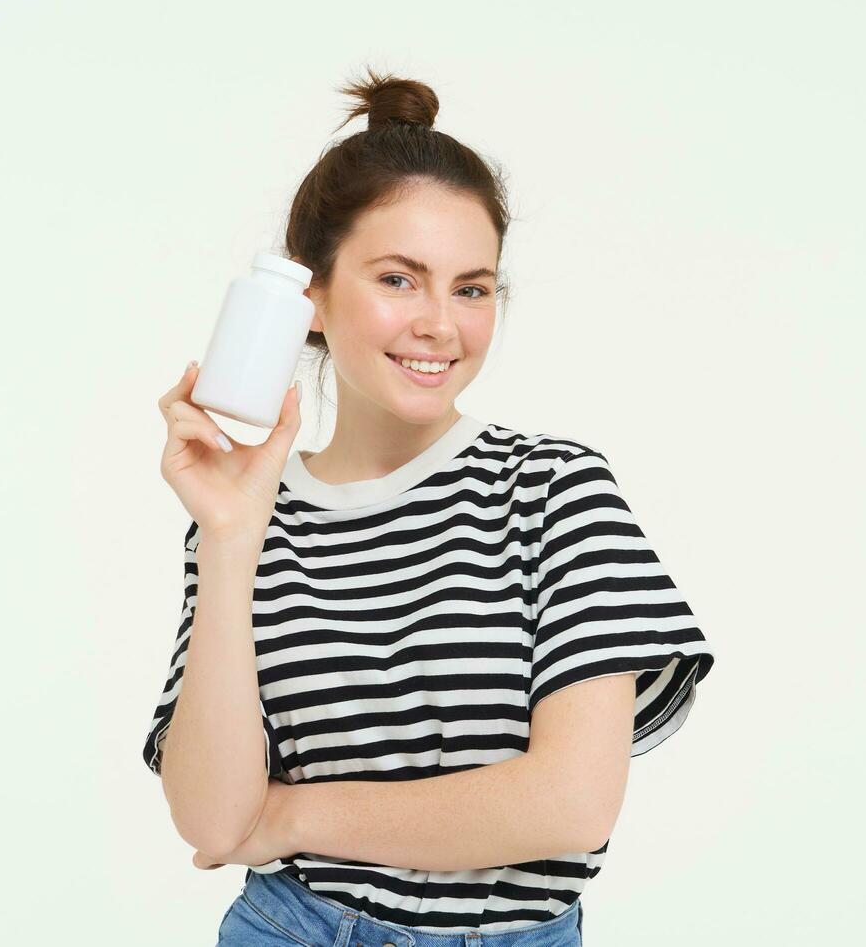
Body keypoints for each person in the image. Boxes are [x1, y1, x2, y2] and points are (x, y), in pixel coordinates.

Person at [145, 68, 716, 947]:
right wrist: (229, 538)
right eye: (399, 279)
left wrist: (293, 818)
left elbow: (571, 805)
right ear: (313, 300)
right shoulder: (245, 522)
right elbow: (214, 822)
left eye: (471, 287)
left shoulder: (556, 490)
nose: (440, 324)